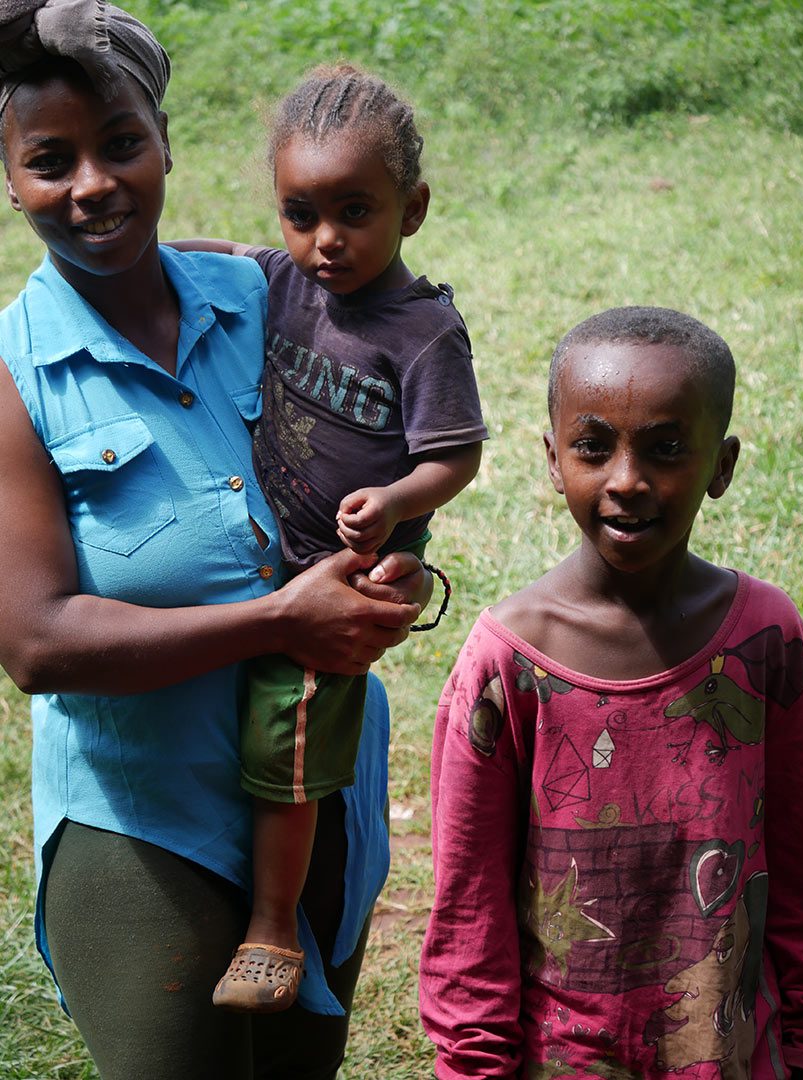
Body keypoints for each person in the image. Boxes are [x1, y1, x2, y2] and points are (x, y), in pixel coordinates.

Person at [0, 6, 431, 1078]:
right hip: (144, 823)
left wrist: (397, 565)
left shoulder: (262, 294)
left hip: (313, 784)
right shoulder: (15, 375)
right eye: (51, 161)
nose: (94, 183)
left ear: (164, 145)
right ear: (9, 181)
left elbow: (383, 427)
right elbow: (38, 644)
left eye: (121, 143)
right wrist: (283, 618)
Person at [419, 306, 803, 1079]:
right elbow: (470, 911)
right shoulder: (507, 664)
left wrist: (802, 1044)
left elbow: (800, 865)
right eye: (592, 448)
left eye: (666, 449)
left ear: (722, 466)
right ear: (552, 459)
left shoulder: (765, 638)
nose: (626, 480)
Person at [172, 63, 487, 1013]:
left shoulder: (422, 332)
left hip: (342, 578)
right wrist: (146, 250)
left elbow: (457, 457)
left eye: (354, 211)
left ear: (413, 208)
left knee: (288, 740)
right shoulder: (283, 279)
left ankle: (273, 926)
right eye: (299, 213)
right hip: (257, 551)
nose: (325, 241)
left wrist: (395, 501)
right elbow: (215, 255)